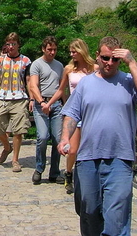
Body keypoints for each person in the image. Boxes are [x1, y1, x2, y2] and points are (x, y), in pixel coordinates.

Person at [58, 36, 137, 236]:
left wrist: (132, 61)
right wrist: (65, 138)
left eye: (115, 59)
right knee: (90, 212)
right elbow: (72, 114)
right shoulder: (86, 84)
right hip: (87, 158)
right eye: (105, 58)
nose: (110, 63)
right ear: (97, 57)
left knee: (116, 217)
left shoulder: (128, 81)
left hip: (120, 157)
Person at [47, 38, 97, 193]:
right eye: (71, 52)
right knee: (73, 149)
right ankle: (69, 172)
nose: (72, 54)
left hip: (91, 112)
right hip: (75, 112)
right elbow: (61, 90)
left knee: (89, 149)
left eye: (74, 51)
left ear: (82, 51)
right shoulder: (69, 69)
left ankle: (87, 178)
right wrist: (48, 104)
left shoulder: (94, 68)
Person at [0, 32, 32, 173]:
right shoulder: (0, 60)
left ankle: (15, 159)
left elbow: (29, 80)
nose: (11, 46)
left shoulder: (25, 61)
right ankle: (7, 147)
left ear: (18, 44)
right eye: (8, 44)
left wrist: (31, 98)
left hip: (19, 97)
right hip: (2, 96)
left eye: (13, 44)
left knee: (18, 131)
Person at [28, 36, 65, 185]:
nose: (52, 52)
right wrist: (42, 102)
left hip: (55, 104)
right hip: (41, 103)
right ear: (44, 49)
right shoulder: (36, 64)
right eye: (49, 49)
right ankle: (39, 168)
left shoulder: (60, 66)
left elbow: (62, 88)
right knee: (43, 136)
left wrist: (65, 104)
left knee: (57, 139)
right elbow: (33, 86)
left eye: (54, 49)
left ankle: (54, 172)